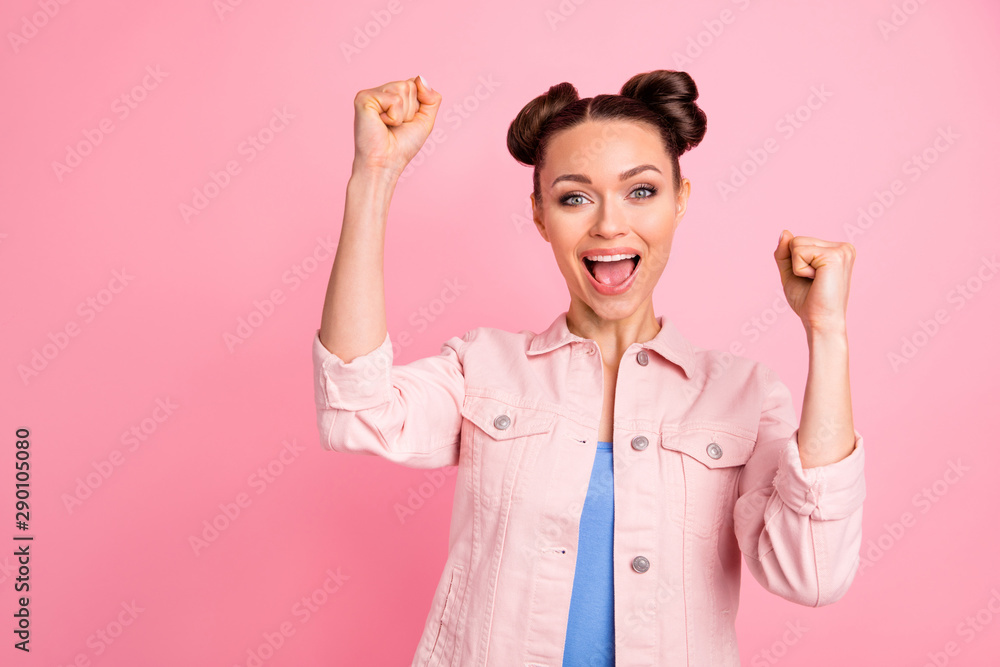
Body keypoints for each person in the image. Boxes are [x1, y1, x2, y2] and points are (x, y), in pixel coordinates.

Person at [312, 70, 866, 666]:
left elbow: (813, 572)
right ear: (539, 214)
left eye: (642, 191)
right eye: (574, 197)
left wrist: (826, 332)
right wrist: (375, 173)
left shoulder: (743, 396)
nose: (608, 224)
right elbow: (355, 413)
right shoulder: (485, 365)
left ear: (680, 200)